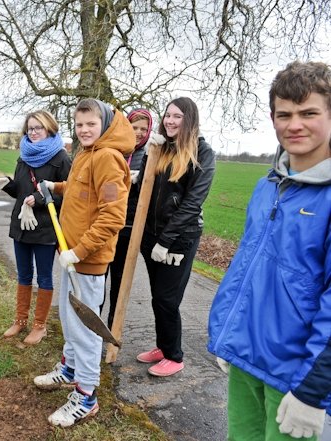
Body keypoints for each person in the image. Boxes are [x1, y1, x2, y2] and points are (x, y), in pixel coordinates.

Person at [208, 61, 331, 440]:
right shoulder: (267, 186)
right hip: (247, 360)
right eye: (284, 114)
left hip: (298, 378)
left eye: (309, 113)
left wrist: (314, 391)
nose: (294, 124)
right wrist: (230, 336)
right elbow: (246, 265)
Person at [33, 98, 134, 427]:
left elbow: (112, 217)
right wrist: (55, 186)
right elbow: (78, 189)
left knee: (85, 331)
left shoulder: (107, 158)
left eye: (91, 124)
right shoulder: (85, 154)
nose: (84, 130)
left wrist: (80, 251)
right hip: (71, 257)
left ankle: (86, 396)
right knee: (69, 320)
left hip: (85, 262)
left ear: (104, 124)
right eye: (79, 125)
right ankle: (69, 369)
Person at [135, 97, 215, 377]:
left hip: (178, 240)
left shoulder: (202, 153)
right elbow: (146, 188)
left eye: (177, 116)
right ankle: (162, 345)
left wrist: (166, 241)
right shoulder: (162, 148)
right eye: (167, 115)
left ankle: (175, 356)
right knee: (158, 297)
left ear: (189, 119)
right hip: (151, 237)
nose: (170, 120)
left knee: (168, 299)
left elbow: (192, 204)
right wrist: (148, 156)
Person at [0, 110, 71, 345]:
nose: (34, 132)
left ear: (49, 128)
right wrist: (9, 186)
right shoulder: (23, 156)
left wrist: (39, 199)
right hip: (21, 226)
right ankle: (20, 320)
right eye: (30, 128)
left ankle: (40, 326)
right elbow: (21, 191)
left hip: (45, 228)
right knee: (24, 274)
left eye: (39, 128)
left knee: (44, 276)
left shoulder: (61, 158)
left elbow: (68, 195)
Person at [102, 109, 164, 329]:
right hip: (108, 224)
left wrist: (139, 184)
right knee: (99, 278)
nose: (138, 133)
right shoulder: (115, 151)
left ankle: (112, 329)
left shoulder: (150, 155)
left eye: (143, 129)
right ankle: (92, 331)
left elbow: (152, 194)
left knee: (119, 281)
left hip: (129, 227)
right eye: (134, 127)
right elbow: (106, 188)